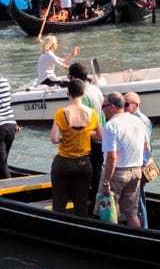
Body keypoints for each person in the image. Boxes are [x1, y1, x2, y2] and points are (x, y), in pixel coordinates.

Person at [49, 78, 101, 215]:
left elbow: (54, 139)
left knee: (59, 204)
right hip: (83, 163)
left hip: (63, 163)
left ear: (68, 94)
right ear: (83, 94)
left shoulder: (61, 113)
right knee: (81, 204)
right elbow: (100, 137)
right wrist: (84, 133)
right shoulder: (93, 114)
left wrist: (65, 137)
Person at [99, 92, 150, 228]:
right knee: (131, 213)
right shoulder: (138, 121)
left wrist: (106, 182)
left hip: (117, 172)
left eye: (103, 106)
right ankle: (138, 241)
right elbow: (146, 147)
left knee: (108, 210)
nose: (101, 110)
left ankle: (111, 243)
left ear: (112, 107)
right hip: (136, 171)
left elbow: (112, 157)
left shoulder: (110, 126)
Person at [68, 62, 105, 213]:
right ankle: (96, 205)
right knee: (97, 171)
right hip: (101, 135)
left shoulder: (81, 94)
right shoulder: (96, 89)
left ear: (73, 77)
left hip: (89, 137)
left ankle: (85, 207)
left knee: (85, 173)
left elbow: (80, 120)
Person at [124, 91, 153, 228]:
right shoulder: (139, 119)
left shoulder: (140, 120)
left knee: (138, 201)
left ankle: (143, 229)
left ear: (135, 105)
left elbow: (145, 146)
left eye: (126, 104)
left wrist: (142, 166)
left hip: (139, 166)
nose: (123, 108)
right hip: (138, 165)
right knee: (138, 199)